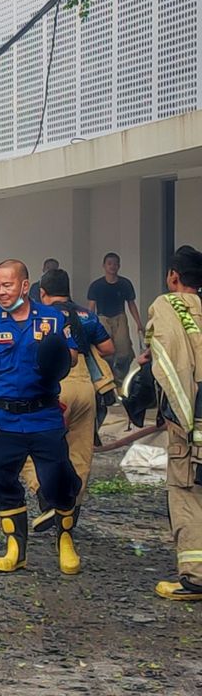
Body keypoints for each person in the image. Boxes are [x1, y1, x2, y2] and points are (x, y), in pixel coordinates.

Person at [0, 259, 81, 575]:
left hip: (44, 415)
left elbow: (71, 358)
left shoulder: (54, 318)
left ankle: (66, 540)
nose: (1, 292)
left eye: (8, 285)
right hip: (3, 419)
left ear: (25, 285)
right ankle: (16, 548)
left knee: (58, 480)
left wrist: (58, 352)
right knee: (0, 480)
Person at [21, 268, 115, 532]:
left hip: (53, 385)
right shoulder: (85, 314)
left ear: (41, 293)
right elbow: (109, 348)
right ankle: (70, 511)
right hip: (85, 387)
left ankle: (47, 497)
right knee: (80, 452)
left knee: (30, 443)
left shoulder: (39, 317)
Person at [139, 245, 202, 600]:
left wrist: (179, 417)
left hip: (192, 421)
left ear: (173, 276)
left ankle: (194, 579)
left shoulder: (168, 305)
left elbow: (171, 362)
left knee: (187, 494)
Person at [88, 252, 144, 378]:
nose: (112, 266)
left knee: (123, 350)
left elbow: (131, 304)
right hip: (102, 318)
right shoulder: (96, 286)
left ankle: (123, 377)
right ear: (104, 266)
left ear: (119, 266)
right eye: (109, 264)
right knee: (105, 350)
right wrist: (89, 324)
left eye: (115, 264)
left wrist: (138, 323)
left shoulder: (125, 284)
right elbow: (91, 307)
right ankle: (108, 377)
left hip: (120, 318)